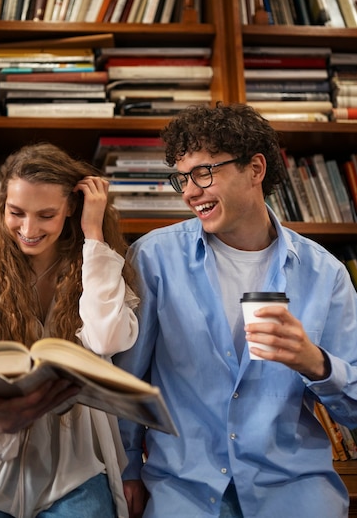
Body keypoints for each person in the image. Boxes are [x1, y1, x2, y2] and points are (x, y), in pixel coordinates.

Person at [114, 103, 357, 518]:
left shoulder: (325, 274)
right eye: (182, 178)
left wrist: (316, 363)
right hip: (184, 492)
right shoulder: (154, 259)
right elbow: (126, 380)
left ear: (255, 169)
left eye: (204, 172)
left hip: (292, 492)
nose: (190, 191)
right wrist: (127, 469)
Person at [0, 142, 139, 518]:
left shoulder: (98, 266)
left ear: (70, 210)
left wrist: (94, 236)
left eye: (46, 215)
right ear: (2, 208)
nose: (28, 229)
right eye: (16, 213)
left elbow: (108, 338)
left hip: (74, 455)